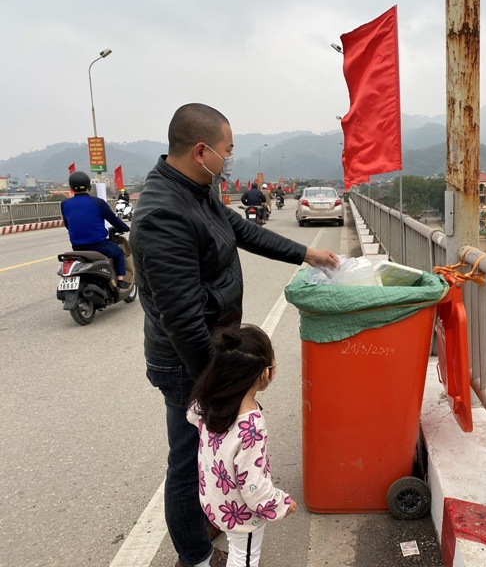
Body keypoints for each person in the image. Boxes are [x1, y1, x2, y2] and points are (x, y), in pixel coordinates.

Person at [129, 103, 337, 567]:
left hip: (211, 347)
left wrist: (305, 253)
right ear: (201, 150)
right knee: (188, 458)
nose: (230, 158)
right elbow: (181, 320)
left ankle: (211, 519)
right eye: (228, 150)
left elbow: (239, 228)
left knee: (212, 447)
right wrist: (221, 385)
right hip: (187, 359)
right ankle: (196, 556)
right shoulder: (163, 213)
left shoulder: (200, 189)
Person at [187, 324, 296, 567]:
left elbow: (191, 416)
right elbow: (253, 485)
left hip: (214, 498)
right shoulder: (251, 426)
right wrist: (281, 503)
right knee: (244, 558)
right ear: (265, 374)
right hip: (240, 511)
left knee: (239, 551)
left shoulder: (208, 403)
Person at [61, 171, 131, 289]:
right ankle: (120, 280)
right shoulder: (98, 203)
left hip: (77, 247)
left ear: (71, 188)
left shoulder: (65, 204)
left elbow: (67, 224)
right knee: (118, 253)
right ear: (89, 186)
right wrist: (124, 227)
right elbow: (113, 219)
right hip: (99, 245)